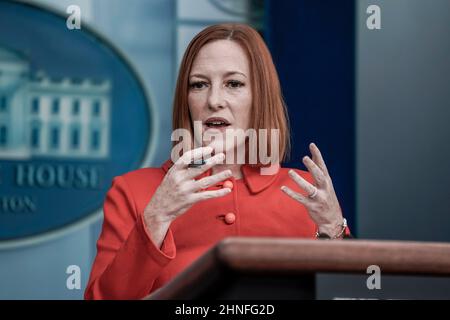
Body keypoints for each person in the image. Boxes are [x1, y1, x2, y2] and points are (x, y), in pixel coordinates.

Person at [84, 23, 351, 300]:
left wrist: (335, 229)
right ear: (186, 100)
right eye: (199, 85)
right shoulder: (133, 191)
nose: (214, 100)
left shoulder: (306, 191)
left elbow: (355, 291)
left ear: (260, 96)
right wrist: (155, 219)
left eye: (233, 84)